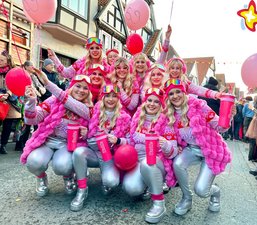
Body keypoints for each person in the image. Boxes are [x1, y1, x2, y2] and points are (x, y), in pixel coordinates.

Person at [163, 79, 233, 215]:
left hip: (210, 149)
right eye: (171, 94)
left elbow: (220, 127)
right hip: (191, 149)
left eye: (178, 91)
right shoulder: (170, 115)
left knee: (201, 191)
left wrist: (227, 117)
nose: (175, 96)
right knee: (177, 163)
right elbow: (171, 137)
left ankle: (215, 192)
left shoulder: (199, 106)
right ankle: (186, 198)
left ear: (184, 92)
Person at [20, 71, 93, 197]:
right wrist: (31, 102)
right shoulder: (54, 100)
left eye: (85, 88)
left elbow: (90, 134)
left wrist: (85, 133)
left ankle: (69, 175)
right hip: (47, 141)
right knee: (33, 162)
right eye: (78, 86)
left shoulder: (88, 108)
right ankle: (41, 177)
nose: (81, 90)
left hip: (68, 145)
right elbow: (32, 120)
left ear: (89, 92)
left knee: (62, 166)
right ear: (71, 87)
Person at [70, 84, 131, 211]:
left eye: (114, 96)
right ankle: (82, 189)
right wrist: (86, 133)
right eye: (107, 96)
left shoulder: (125, 117)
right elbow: (88, 137)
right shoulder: (94, 113)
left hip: (111, 157)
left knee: (111, 182)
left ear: (118, 99)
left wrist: (118, 140)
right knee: (78, 152)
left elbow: (131, 141)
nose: (110, 99)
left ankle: (106, 177)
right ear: (102, 98)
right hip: (94, 153)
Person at [130, 87, 178, 223]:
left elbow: (173, 152)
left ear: (161, 105)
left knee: (148, 162)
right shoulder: (137, 118)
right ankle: (148, 185)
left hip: (158, 163)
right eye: (149, 100)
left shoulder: (166, 122)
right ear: (144, 102)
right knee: (132, 188)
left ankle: (159, 204)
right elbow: (130, 140)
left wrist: (166, 145)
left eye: (156, 102)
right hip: (138, 163)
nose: (152, 104)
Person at [14, 61, 46, 152]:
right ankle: (20, 143)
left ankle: (31, 142)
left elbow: (42, 89)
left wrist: (38, 90)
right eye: (31, 66)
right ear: (26, 67)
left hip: (35, 101)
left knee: (34, 123)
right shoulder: (21, 76)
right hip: (24, 102)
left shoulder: (34, 77)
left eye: (33, 65)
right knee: (24, 124)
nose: (33, 67)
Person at [0, 50, 22, 154]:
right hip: (0, 100)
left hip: (10, 102)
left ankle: (3, 145)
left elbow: (17, 86)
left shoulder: (13, 72)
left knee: (7, 125)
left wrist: (8, 94)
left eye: (1, 60)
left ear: (8, 61)